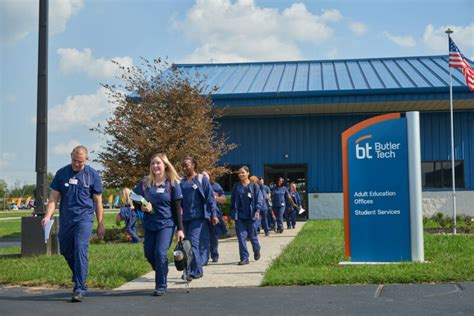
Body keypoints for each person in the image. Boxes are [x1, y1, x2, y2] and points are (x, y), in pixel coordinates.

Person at [41, 145, 104, 303]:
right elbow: (53, 198)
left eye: (80, 162)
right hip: (67, 219)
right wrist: (48, 216)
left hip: (85, 218)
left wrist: (100, 223)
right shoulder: (62, 174)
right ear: (71, 156)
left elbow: (98, 201)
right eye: (74, 160)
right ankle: (78, 274)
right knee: (65, 249)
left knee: (80, 248)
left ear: (86, 160)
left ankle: (80, 288)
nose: (77, 164)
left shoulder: (92, 175)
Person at [134, 153, 184, 296]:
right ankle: (162, 270)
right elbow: (134, 199)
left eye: (158, 163)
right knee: (149, 253)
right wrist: (141, 206)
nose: (155, 166)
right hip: (150, 224)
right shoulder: (145, 183)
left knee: (160, 253)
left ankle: (161, 285)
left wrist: (180, 229)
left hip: (166, 224)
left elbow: (177, 207)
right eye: (153, 163)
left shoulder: (172, 183)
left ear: (165, 165)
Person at [180, 157, 217, 280]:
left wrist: (214, 215)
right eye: (183, 166)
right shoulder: (182, 182)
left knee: (192, 243)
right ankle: (188, 270)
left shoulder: (202, 179)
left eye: (187, 165)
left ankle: (197, 270)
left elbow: (210, 198)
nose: (185, 168)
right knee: (186, 245)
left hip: (198, 216)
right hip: (185, 218)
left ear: (194, 165)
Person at [230, 166, 263, 265]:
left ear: (248, 173)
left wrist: (257, 210)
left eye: (243, 172)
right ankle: (244, 258)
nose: (241, 174)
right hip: (240, 216)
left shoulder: (254, 186)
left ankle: (256, 249)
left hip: (251, 216)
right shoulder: (236, 186)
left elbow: (258, 199)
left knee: (253, 237)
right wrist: (232, 213)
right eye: (239, 173)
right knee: (241, 237)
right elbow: (232, 201)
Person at [202, 170, 227, 263]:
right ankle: (204, 257)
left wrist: (215, 198)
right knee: (204, 236)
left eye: (205, 175)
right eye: (202, 175)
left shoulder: (215, 186)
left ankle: (214, 255)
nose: (203, 177)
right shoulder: (198, 186)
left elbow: (224, 199)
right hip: (203, 214)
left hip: (214, 214)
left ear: (209, 176)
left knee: (213, 236)